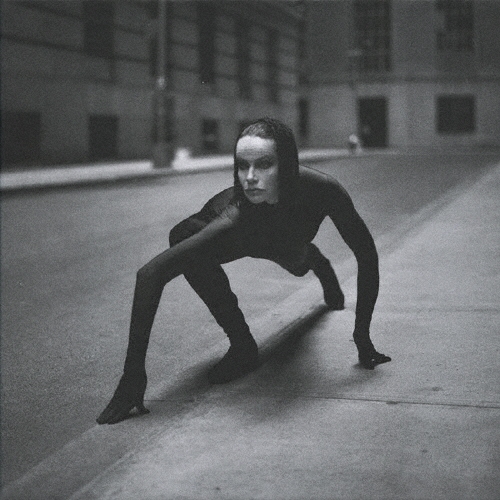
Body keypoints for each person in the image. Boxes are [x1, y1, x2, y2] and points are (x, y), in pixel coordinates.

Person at [97, 117, 390, 425]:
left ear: (287, 166)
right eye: (242, 165)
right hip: (241, 236)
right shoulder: (235, 214)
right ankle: (242, 345)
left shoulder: (324, 190)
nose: (250, 178)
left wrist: (362, 336)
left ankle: (317, 262)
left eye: (264, 164)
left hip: (290, 240)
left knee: (298, 260)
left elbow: (366, 254)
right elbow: (150, 274)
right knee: (182, 238)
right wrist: (133, 374)